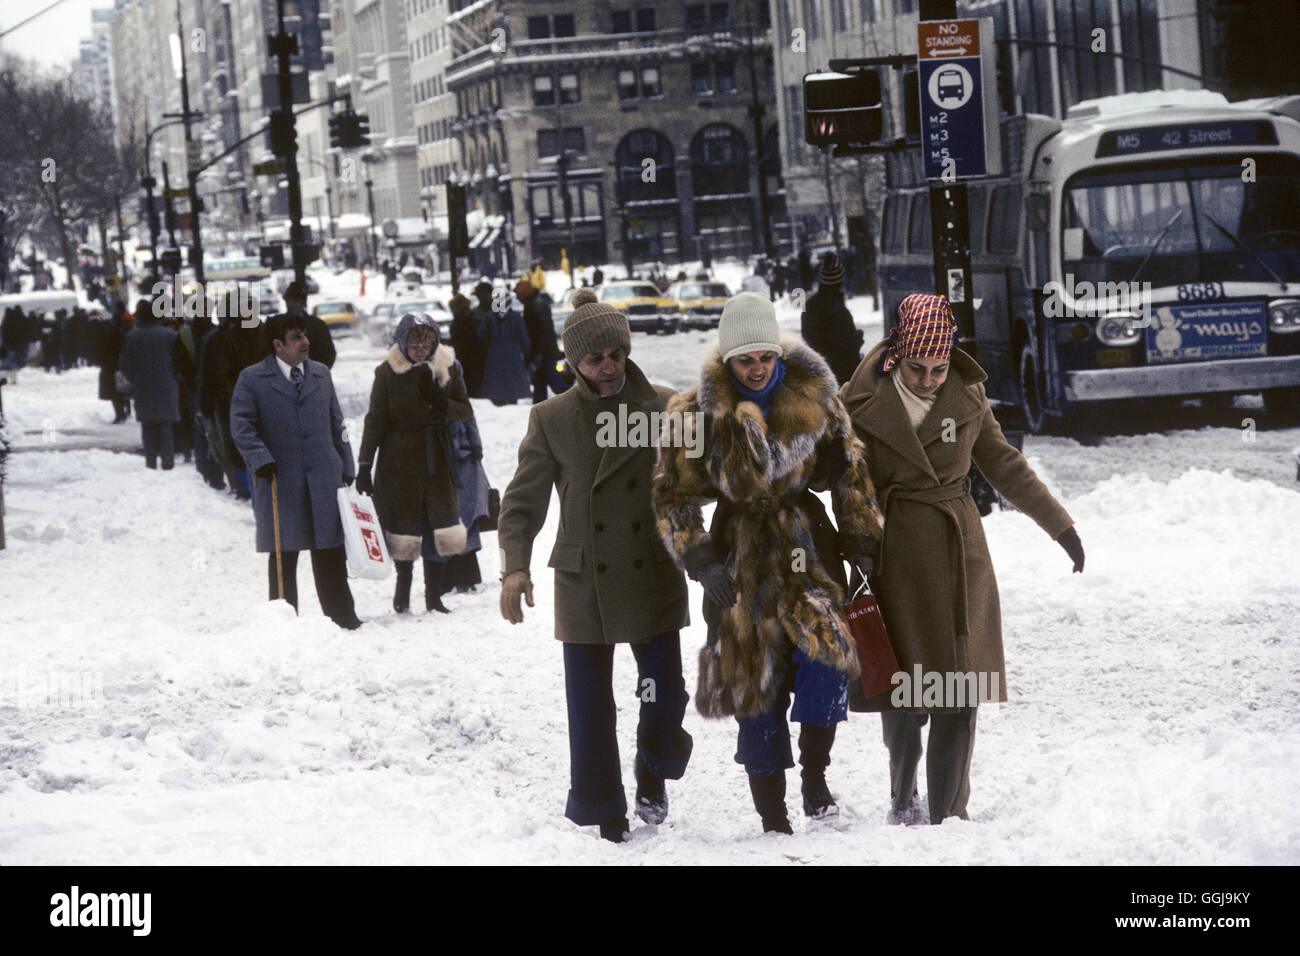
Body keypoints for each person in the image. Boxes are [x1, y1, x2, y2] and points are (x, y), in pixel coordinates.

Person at [838, 293, 1086, 825]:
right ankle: (903, 794)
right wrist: (856, 542)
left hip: (956, 550)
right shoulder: (856, 400)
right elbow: (844, 479)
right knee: (903, 687)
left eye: (939, 368)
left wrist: (1060, 526)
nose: (929, 379)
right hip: (891, 552)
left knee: (959, 681)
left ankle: (949, 811)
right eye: (917, 369)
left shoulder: (968, 394)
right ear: (897, 353)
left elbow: (1004, 464)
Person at [652, 292, 884, 834]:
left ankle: (815, 775)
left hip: (808, 550)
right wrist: (701, 560)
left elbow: (850, 469)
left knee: (828, 660)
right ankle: (771, 811)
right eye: (744, 360)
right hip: (739, 557)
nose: (756, 369)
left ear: (778, 354)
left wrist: (860, 537)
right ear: (728, 361)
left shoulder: (817, 397)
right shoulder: (694, 413)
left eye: (765, 357)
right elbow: (672, 494)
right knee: (754, 685)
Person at [498, 288, 693, 843]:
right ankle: (603, 806)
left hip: (650, 570)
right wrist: (515, 567)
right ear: (573, 362)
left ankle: (652, 766)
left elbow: (694, 486)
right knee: (590, 708)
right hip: (585, 578)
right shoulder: (552, 418)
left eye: (616, 355)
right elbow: (522, 502)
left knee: (663, 694)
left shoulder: (666, 406)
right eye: (594, 358)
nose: (608, 368)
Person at [230, 312, 362, 630]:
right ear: (278, 345)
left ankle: (342, 614)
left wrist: (346, 462)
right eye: (296, 338)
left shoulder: (320, 373)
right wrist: (260, 458)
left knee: (329, 550)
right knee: (283, 551)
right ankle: (283, 620)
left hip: (323, 475)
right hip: (280, 479)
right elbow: (241, 425)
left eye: (304, 335)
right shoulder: (252, 378)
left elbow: (337, 422)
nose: (305, 343)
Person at [356, 313, 472, 615]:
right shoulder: (387, 372)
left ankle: (434, 596)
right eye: (414, 345)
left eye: (427, 344)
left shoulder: (447, 367)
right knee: (404, 524)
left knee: (439, 523)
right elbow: (376, 420)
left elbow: (464, 410)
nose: (421, 350)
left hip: (437, 458)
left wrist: (441, 402)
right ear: (402, 342)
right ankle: (403, 587)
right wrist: (365, 464)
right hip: (400, 460)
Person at [202, 296, 266, 500]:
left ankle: (246, 487)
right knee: (242, 445)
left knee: (240, 445)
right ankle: (247, 486)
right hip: (241, 402)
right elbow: (219, 374)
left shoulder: (226, 337)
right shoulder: (231, 337)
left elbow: (219, 374)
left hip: (237, 403)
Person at [117, 296, 181, 470]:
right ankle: (168, 461)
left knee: (148, 426)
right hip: (167, 385)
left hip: (143, 386)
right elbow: (179, 361)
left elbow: (125, 365)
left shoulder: (132, 337)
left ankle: (150, 461)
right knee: (166, 425)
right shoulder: (171, 335)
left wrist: (134, 380)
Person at [800, 252, 862, 386]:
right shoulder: (840, 312)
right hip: (838, 380)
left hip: (816, 376)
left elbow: (808, 339)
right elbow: (846, 354)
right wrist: (856, 340)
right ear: (840, 280)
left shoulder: (809, 306)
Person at [476, 283, 532, 406]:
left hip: (494, 355)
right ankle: (512, 404)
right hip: (513, 354)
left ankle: (499, 405)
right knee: (513, 385)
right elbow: (523, 338)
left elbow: (481, 335)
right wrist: (528, 355)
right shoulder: (516, 317)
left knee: (497, 386)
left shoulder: (489, 317)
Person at [515, 277, 560, 404]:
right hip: (544, 352)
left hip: (544, 353)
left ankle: (579, 402)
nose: (517, 298)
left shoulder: (535, 306)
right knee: (541, 384)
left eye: (519, 295)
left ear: (524, 293)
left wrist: (537, 353)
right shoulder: (534, 304)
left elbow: (541, 333)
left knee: (554, 384)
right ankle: (540, 411)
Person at [277, 280, 336, 369]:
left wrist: (318, 374)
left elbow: (329, 353)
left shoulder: (317, 325)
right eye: (289, 301)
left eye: (296, 301)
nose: (292, 304)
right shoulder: (276, 324)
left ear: (303, 303)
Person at [97, 301, 131, 423]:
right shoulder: (126, 324)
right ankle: (126, 410)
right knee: (122, 387)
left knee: (114, 390)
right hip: (120, 361)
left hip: (111, 363)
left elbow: (105, 346)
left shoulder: (109, 328)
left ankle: (120, 414)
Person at [448, 292, 485, 398]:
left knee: (471, 387)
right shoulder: (473, 317)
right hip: (475, 358)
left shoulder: (462, 320)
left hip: (469, 358)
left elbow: (461, 340)